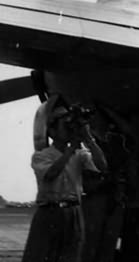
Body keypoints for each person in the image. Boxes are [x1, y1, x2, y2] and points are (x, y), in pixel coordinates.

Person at [22, 100, 108, 262]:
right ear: (52, 131)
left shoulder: (80, 154)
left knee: (71, 255)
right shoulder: (42, 156)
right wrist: (70, 149)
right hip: (49, 212)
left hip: (73, 212)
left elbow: (102, 166)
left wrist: (88, 139)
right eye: (64, 125)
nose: (68, 129)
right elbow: (51, 174)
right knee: (41, 255)